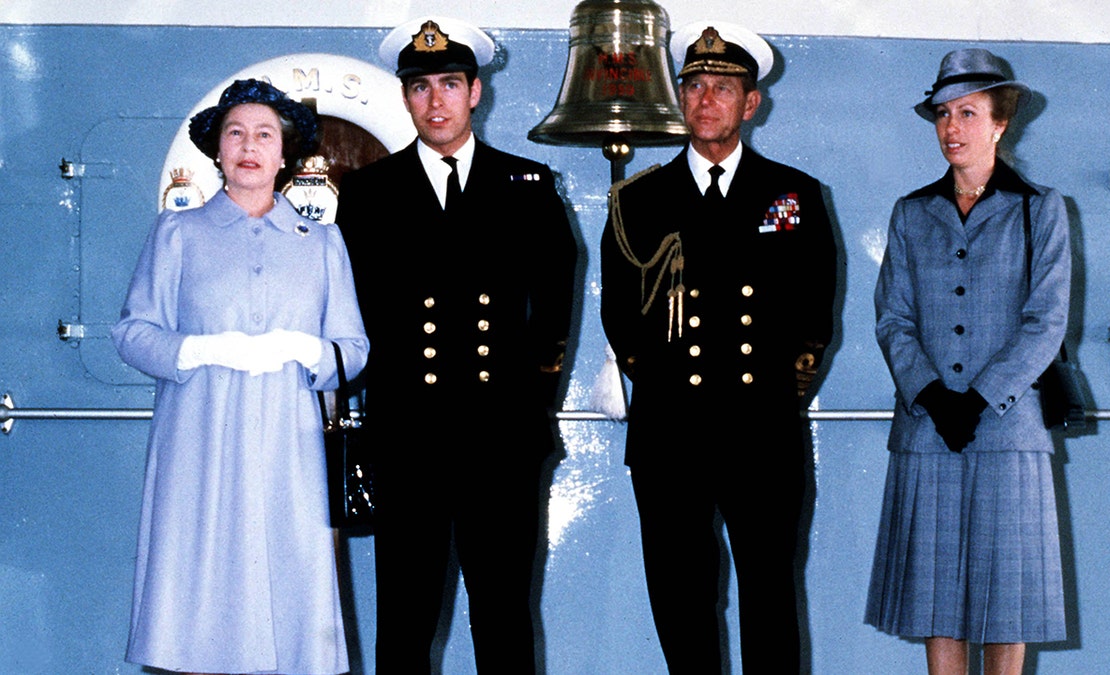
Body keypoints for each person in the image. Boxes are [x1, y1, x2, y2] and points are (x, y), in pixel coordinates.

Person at [334, 17, 578, 673]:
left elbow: (553, 308)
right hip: (408, 440)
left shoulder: (525, 187)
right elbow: (347, 314)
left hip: (502, 442)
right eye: (419, 87)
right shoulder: (366, 194)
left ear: (476, 92)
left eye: (449, 84)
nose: (435, 101)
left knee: (502, 620)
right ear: (405, 97)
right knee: (405, 626)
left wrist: (528, 404)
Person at [600, 21, 836, 673]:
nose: (707, 100)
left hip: (763, 432)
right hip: (670, 434)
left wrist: (765, 396)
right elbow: (621, 316)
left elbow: (815, 314)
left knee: (770, 603)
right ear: (680, 97)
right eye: (695, 85)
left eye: (723, 88)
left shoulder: (793, 195)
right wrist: (672, 392)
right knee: (682, 606)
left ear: (750, 103)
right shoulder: (637, 199)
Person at [113, 78, 368, 675]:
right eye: (235, 133)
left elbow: (352, 350)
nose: (248, 146)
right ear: (218, 150)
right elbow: (132, 332)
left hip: (291, 447)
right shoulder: (177, 233)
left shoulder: (323, 243)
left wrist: (311, 350)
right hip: (198, 440)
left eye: (263, 134)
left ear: (284, 155)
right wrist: (198, 350)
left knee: (289, 586)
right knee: (198, 596)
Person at [864, 48, 1070, 675]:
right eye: (943, 114)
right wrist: (932, 397)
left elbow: (1047, 322)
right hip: (928, 432)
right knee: (937, 606)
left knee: (1008, 607)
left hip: (1009, 433)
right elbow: (893, 319)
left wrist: (978, 400)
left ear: (1000, 123)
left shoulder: (1041, 209)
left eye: (968, 113)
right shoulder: (910, 212)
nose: (952, 128)